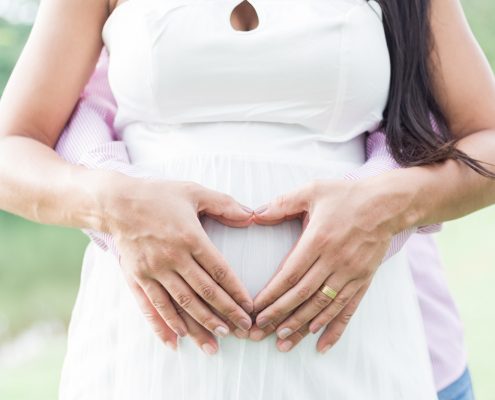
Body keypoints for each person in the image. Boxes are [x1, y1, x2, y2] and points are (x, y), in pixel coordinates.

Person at [0, 0, 494, 398]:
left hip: (352, 348)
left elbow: (487, 137)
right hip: (146, 356)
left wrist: (390, 206)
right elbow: (11, 150)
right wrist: (112, 203)